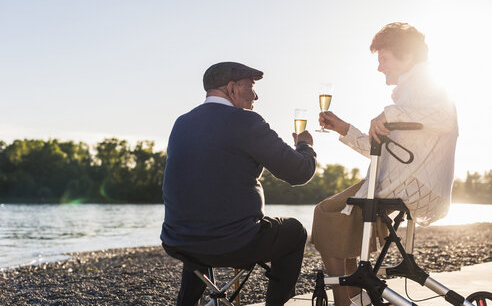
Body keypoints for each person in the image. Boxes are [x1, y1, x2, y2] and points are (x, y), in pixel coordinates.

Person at [311, 22, 458, 306]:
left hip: (410, 186)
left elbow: (446, 117)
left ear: (408, 57)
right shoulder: (413, 90)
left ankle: (347, 301)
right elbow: (387, 151)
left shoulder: (425, 84)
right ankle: (356, 297)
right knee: (344, 214)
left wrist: (389, 113)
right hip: (405, 180)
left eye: (384, 59)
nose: (380, 67)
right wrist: (344, 128)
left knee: (327, 212)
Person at [161, 61, 317, 306]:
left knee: (200, 227)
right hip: (234, 243)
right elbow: (299, 173)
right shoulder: (247, 122)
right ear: (232, 88)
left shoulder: (181, 123)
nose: (255, 95)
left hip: (177, 241)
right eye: (251, 86)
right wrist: (305, 145)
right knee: (295, 232)